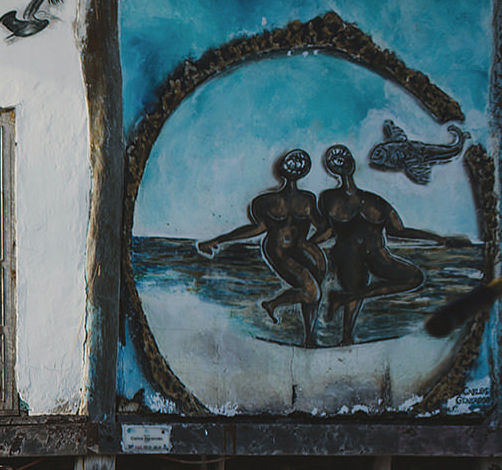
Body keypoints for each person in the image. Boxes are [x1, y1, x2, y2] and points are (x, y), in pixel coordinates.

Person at [316, 143, 465, 346]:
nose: (341, 163)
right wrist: (307, 244)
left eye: (344, 158)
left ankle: (342, 299)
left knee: (415, 277)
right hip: (348, 254)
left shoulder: (374, 201)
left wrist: (439, 239)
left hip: (376, 255)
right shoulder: (331, 198)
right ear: (333, 168)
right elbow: (327, 231)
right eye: (335, 160)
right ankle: (346, 335)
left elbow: (400, 231)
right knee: (355, 281)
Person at [197, 148, 328, 347]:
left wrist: (312, 245)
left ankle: (309, 338)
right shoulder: (266, 202)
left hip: (302, 250)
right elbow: (256, 229)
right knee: (312, 292)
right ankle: (273, 304)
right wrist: (218, 240)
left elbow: (325, 228)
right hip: (278, 251)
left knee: (313, 294)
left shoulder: (308, 200)